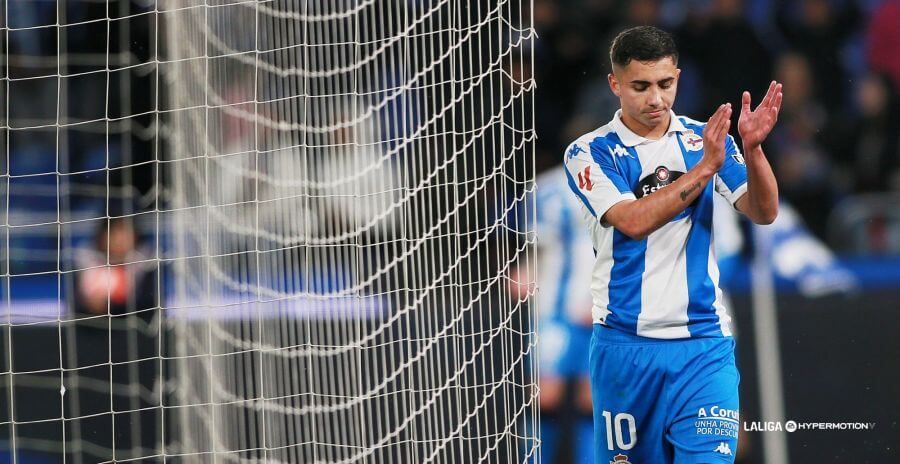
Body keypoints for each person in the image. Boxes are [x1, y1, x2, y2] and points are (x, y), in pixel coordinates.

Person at [563, 26, 780, 463]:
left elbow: (763, 211)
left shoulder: (705, 140)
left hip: (703, 348)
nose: (656, 99)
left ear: (677, 77)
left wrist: (753, 151)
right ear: (615, 84)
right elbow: (633, 221)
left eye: (665, 84)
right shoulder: (590, 153)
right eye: (640, 86)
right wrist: (704, 170)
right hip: (625, 348)